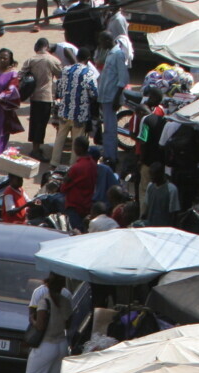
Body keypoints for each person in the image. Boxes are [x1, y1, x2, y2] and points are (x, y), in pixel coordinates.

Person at [27, 273, 73, 373]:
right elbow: (68, 323)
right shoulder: (65, 301)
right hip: (61, 343)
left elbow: (40, 326)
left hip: (46, 344)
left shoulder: (44, 301)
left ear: (47, 285)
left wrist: (32, 319)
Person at [50, 47, 98, 169]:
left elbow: (59, 89)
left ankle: (54, 163)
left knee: (60, 138)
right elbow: (94, 94)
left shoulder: (66, 70)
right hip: (80, 114)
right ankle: (72, 166)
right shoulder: (89, 73)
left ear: (77, 57)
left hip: (64, 111)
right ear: (88, 59)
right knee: (76, 141)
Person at [20, 40, 63, 158]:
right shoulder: (53, 60)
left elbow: (20, 75)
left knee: (34, 123)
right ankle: (36, 150)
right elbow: (61, 75)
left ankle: (35, 148)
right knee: (41, 124)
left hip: (34, 97)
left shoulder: (31, 60)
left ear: (36, 47)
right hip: (46, 96)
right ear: (47, 47)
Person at [98, 24, 133, 163]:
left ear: (107, 41)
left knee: (110, 130)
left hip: (111, 98)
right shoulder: (110, 54)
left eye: (101, 42)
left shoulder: (118, 54)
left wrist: (117, 98)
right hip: (105, 97)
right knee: (107, 128)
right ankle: (108, 153)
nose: (100, 45)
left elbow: (123, 78)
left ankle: (111, 157)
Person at [141, 162, 182, 227]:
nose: (151, 177)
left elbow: (174, 212)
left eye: (153, 175)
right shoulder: (150, 186)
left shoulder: (171, 189)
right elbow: (147, 205)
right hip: (150, 225)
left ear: (160, 174)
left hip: (164, 227)